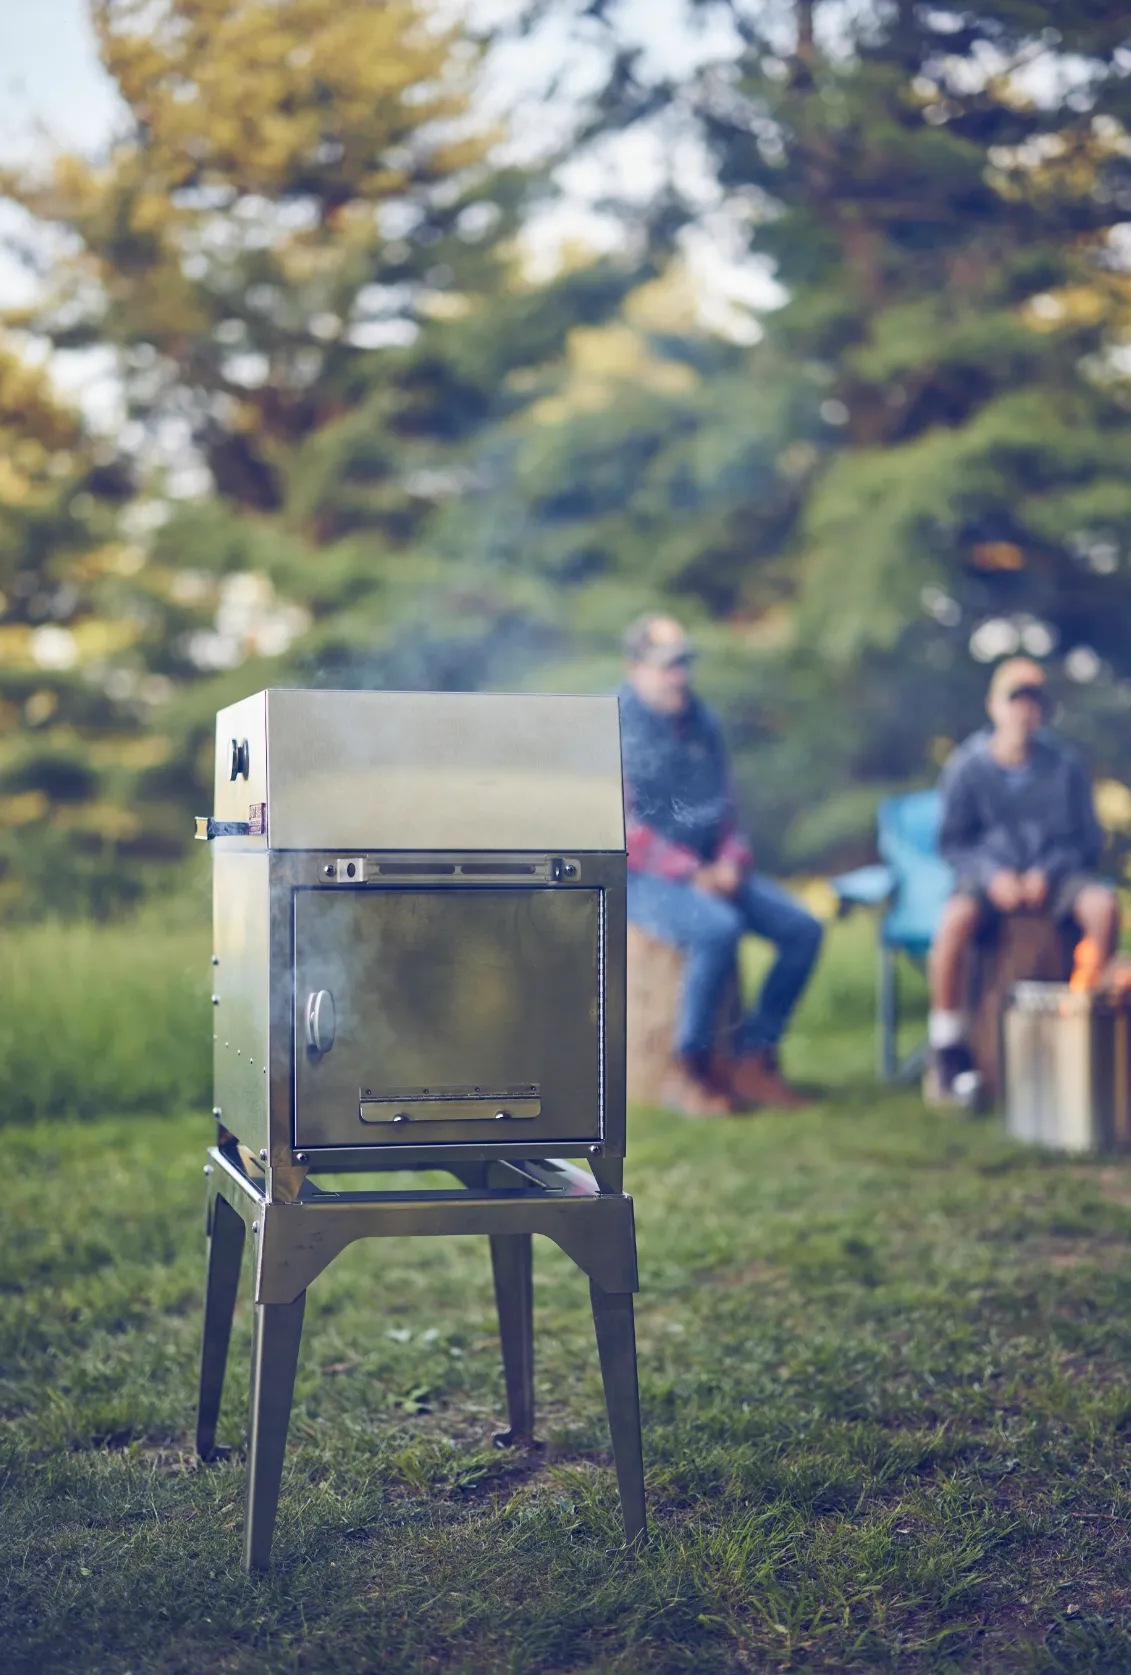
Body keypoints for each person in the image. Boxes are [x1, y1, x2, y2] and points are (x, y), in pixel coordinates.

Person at [619, 613, 823, 1117]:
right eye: (666, 666)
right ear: (634, 669)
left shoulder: (702, 722)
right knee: (716, 930)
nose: (679, 676)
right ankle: (688, 1069)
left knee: (803, 929)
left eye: (683, 663)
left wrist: (732, 860)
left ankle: (753, 1057)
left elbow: (726, 805)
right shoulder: (614, 723)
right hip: (641, 878)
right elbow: (621, 825)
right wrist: (692, 872)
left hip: (715, 870)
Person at [929, 656, 1120, 1099]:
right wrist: (992, 874)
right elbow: (953, 843)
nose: (1023, 712)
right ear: (994, 706)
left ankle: (1090, 1019)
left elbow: (1087, 839)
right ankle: (949, 1047)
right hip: (987, 878)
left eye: (1033, 702)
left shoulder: (1065, 765)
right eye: (1015, 700)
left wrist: (1048, 872)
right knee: (954, 924)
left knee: (1104, 907)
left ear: (1041, 711)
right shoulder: (967, 767)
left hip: (1057, 875)